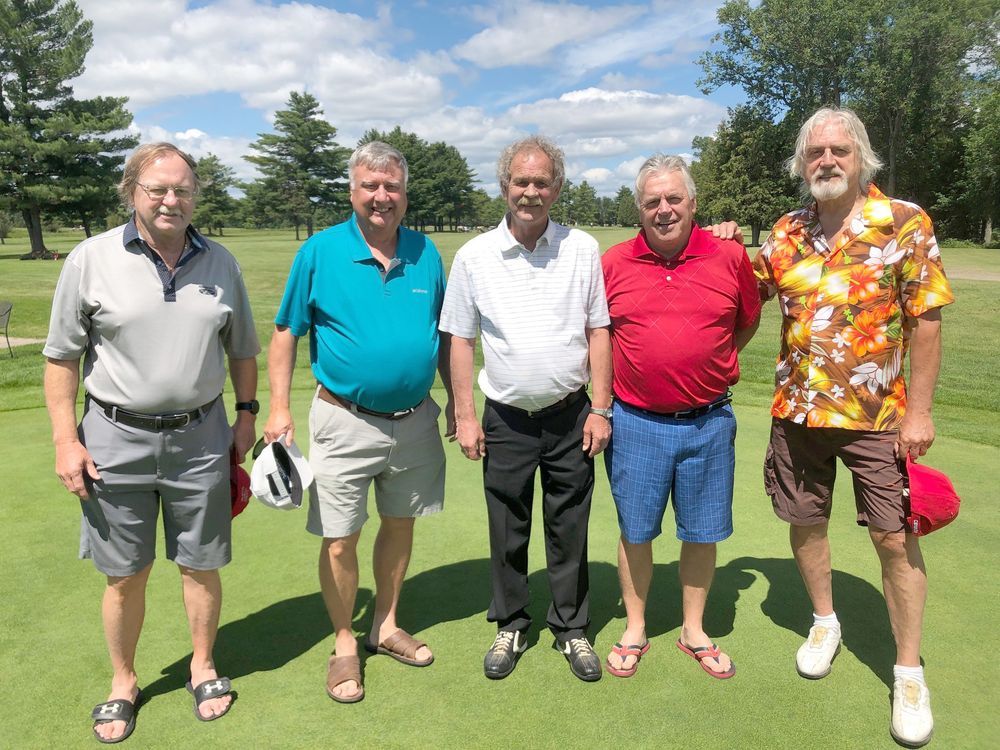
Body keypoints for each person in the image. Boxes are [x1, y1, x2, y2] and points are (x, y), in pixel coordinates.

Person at [43, 142, 260, 743]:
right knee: (124, 574)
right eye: (157, 189)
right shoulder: (90, 259)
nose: (171, 200)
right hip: (113, 440)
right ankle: (123, 681)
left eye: (183, 189)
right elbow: (61, 357)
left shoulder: (221, 262)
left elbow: (242, 348)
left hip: (201, 437)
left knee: (201, 564)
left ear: (196, 195)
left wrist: (246, 415)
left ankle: (203, 665)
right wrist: (65, 439)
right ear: (131, 192)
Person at [753, 106, 954, 748]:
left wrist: (920, 412)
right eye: (816, 152)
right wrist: (719, 238)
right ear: (801, 163)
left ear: (861, 156)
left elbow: (926, 320)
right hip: (798, 412)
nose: (827, 161)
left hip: (878, 417)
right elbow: (740, 292)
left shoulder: (902, 222)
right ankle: (824, 621)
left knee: (894, 542)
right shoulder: (784, 233)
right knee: (805, 521)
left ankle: (908, 670)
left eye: (839, 150)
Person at [263, 141, 453, 704]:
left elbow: (444, 337)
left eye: (391, 186)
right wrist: (277, 408)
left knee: (400, 525)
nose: (381, 196)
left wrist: (461, 406)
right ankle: (345, 641)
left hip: (415, 420)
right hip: (344, 419)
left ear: (404, 193)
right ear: (352, 191)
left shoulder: (425, 252)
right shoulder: (319, 252)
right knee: (340, 539)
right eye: (370, 185)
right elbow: (285, 332)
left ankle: (385, 624)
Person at [440, 135, 612, 682]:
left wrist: (601, 407)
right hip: (506, 418)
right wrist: (465, 414)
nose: (531, 191)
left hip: (570, 415)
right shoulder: (474, 256)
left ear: (556, 188)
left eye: (542, 182)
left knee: (569, 526)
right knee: (507, 527)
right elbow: (460, 340)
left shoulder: (582, 248)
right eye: (522, 181)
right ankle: (511, 622)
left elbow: (598, 329)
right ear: (505, 186)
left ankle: (572, 627)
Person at [601, 155, 760, 680]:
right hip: (636, 421)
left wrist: (706, 364)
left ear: (693, 203)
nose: (664, 209)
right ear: (639, 209)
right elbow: (598, 336)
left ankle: (693, 629)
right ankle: (636, 626)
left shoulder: (730, 256)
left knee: (702, 531)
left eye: (674, 199)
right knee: (637, 531)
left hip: (708, 422)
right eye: (652, 201)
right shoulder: (614, 262)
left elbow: (744, 323)